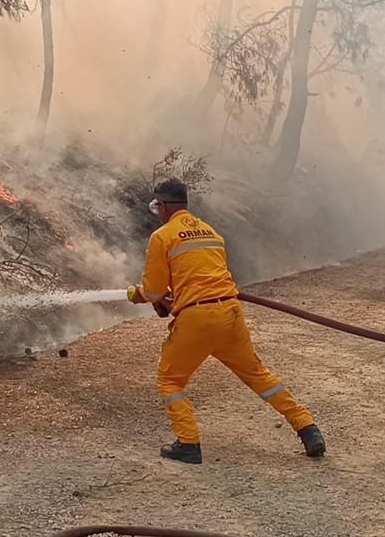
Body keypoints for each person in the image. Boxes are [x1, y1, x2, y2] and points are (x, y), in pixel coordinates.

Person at [127, 178, 325, 464]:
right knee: (259, 376)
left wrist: (138, 295)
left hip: (197, 320)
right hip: (230, 314)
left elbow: (155, 290)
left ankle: (188, 444)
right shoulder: (210, 232)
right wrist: (169, 298)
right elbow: (200, 277)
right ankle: (307, 427)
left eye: (157, 206)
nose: (157, 212)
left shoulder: (163, 236)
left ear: (165, 207)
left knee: (170, 380)